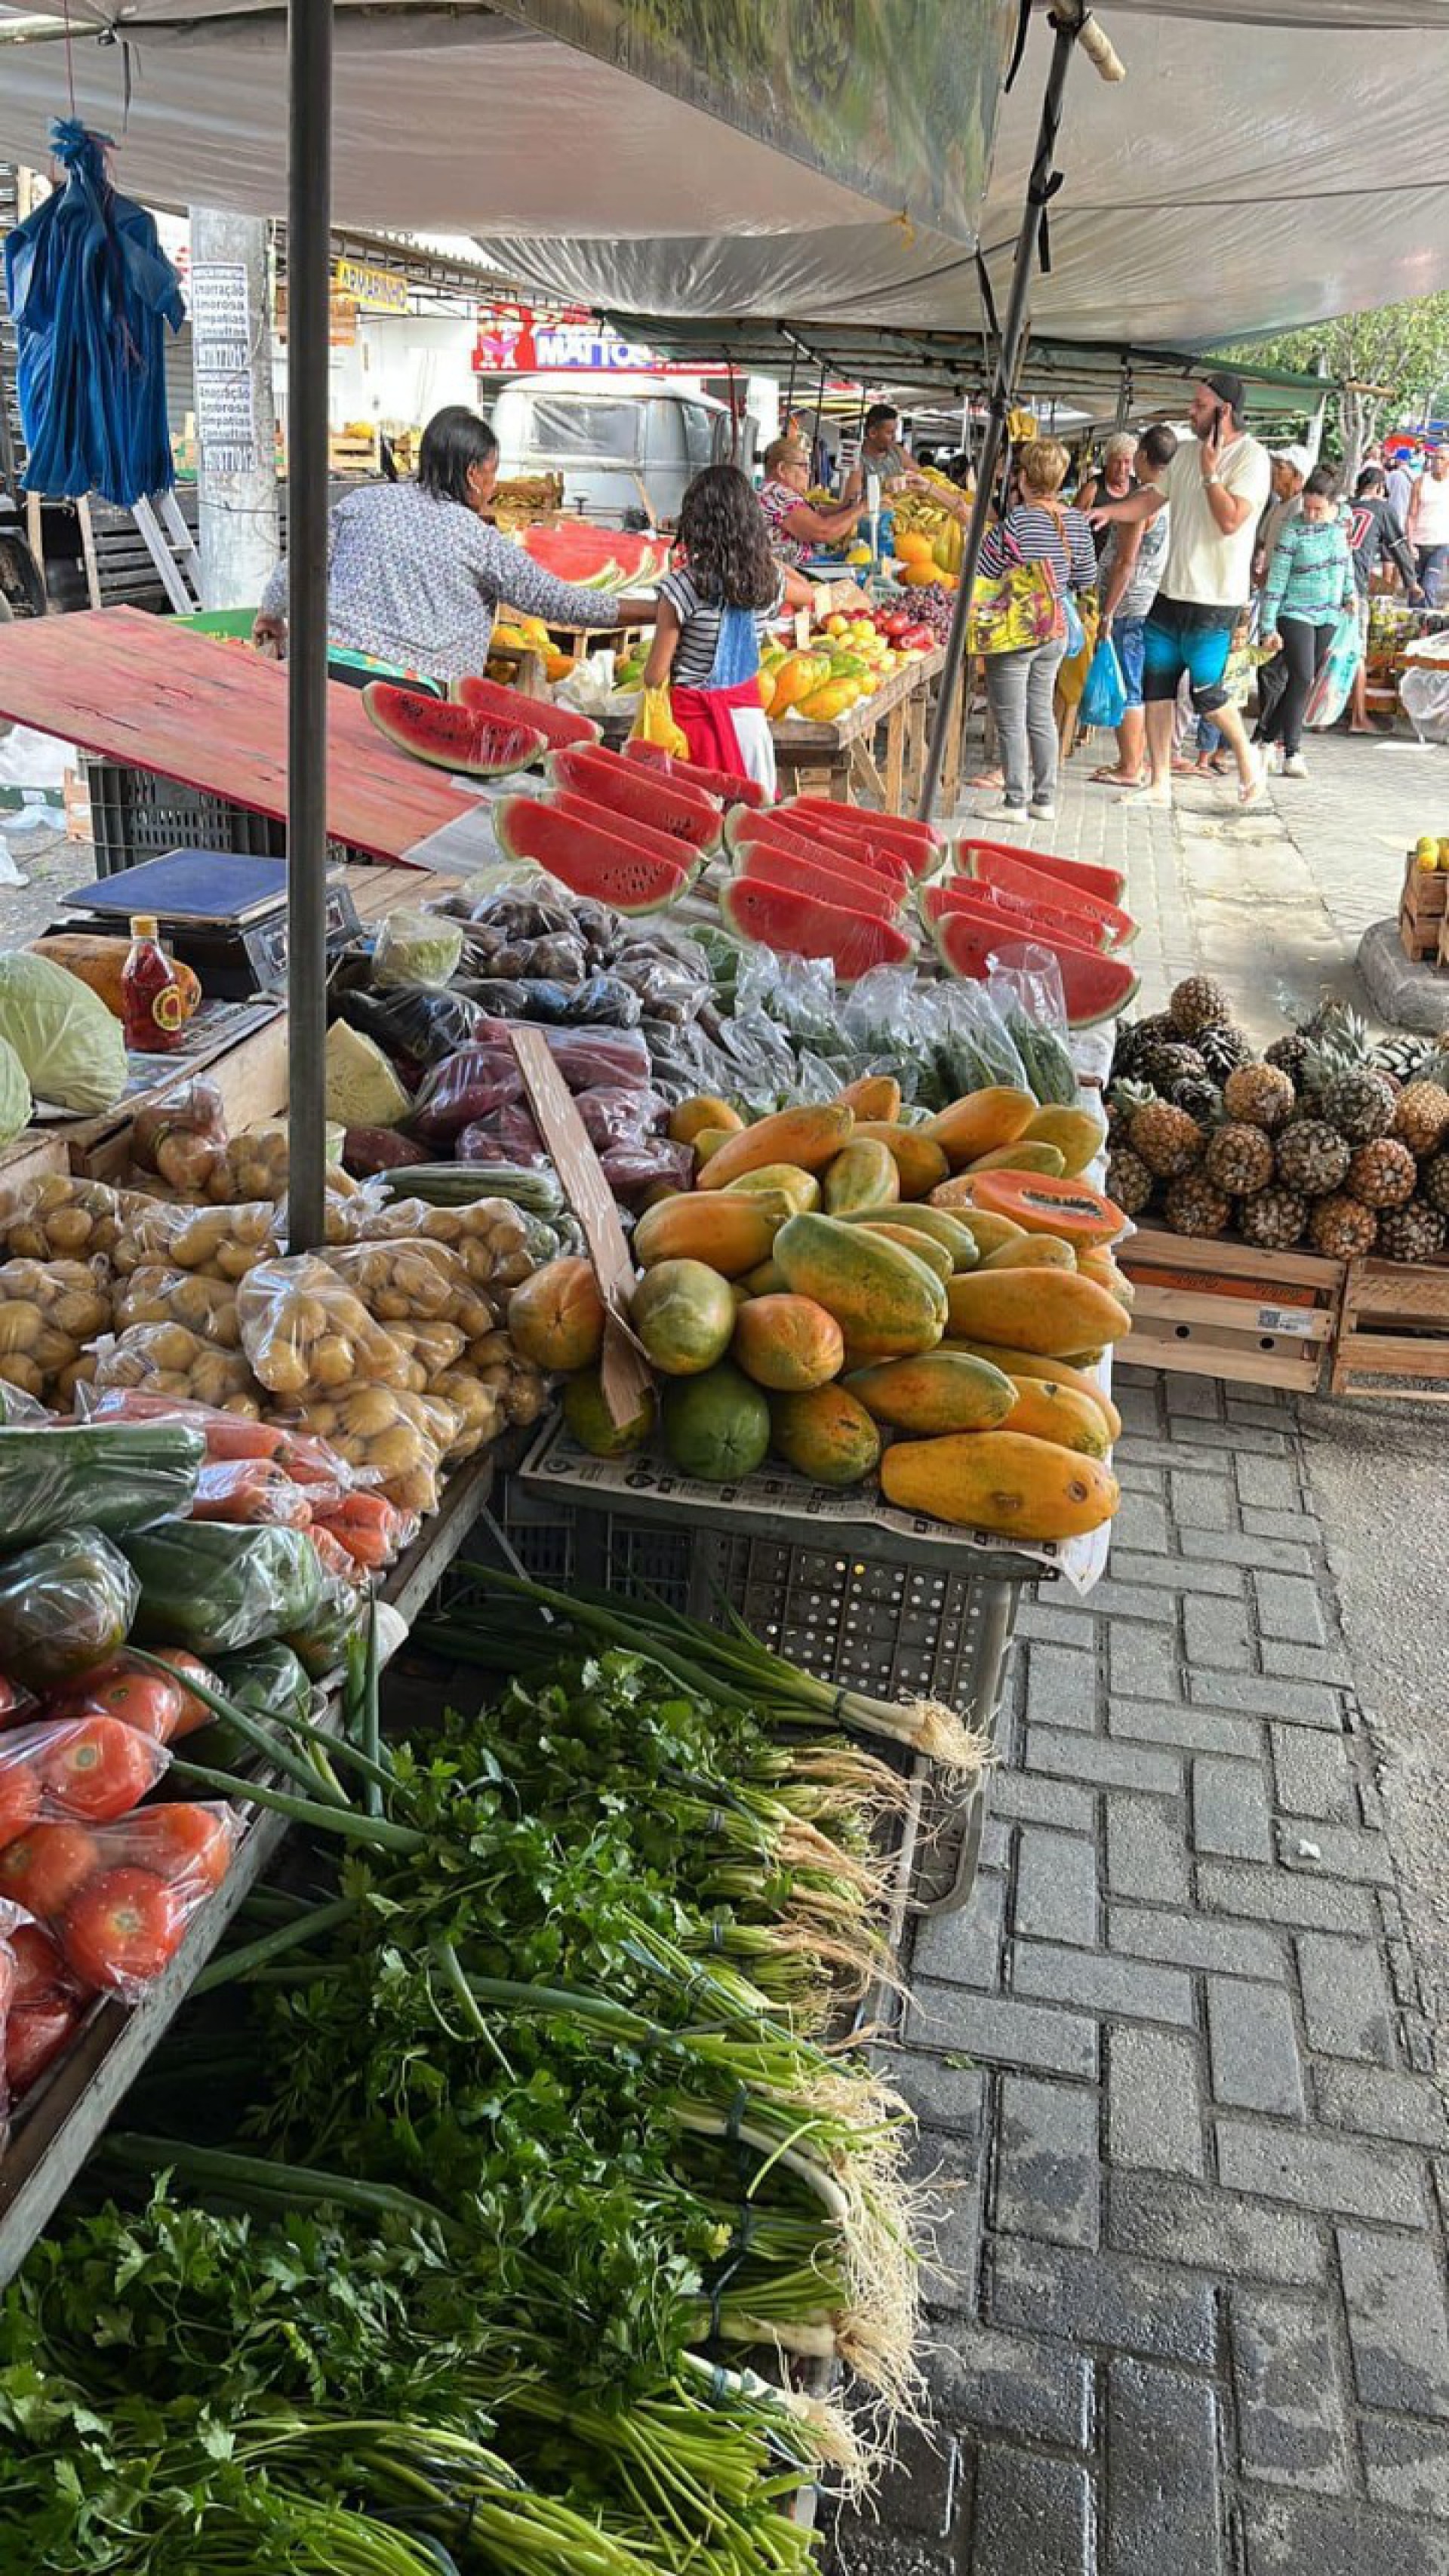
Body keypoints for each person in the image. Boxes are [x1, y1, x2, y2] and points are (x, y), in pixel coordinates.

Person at [252, 406, 655, 685]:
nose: (494, 485)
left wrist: (271, 613)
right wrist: (658, 611)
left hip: (322, 669)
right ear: (472, 473)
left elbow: (301, 562)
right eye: (493, 472)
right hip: (415, 690)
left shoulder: (363, 502)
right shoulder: (479, 540)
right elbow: (559, 601)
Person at [1088, 369, 1272, 807]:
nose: (1190, 413)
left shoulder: (1252, 459)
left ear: (1224, 412)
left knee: (1206, 694)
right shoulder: (1187, 453)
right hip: (1170, 591)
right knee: (1156, 686)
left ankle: (1246, 753)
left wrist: (1211, 475)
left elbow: (1230, 521)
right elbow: (1150, 499)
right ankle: (1159, 783)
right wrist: (1110, 513)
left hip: (1217, 598)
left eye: (1200, 406)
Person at [641, 463, 823, 794]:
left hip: (695, 731)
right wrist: (762, 557)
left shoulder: (683, 586)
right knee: (746, 822)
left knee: (697, 825)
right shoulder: (768, 584)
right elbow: (809, 593)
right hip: (749, 726)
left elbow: (654, 675)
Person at [974, 438, 1096, 825]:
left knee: (1011, 717)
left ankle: (1013, 802)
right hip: (1056, 629)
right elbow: (1087, 576)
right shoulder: (1075, 521)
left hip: (1017, 631)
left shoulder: (1017, 522)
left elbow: (984, 571)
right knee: (1041, 712)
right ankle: (1044, 799)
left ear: (1023, 478)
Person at [1090, 423, 1178, 786]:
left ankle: (1130, 767)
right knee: (1140, 683)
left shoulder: (1142, 501)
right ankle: (1133, 763)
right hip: (1154, 600)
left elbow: (1125, 562)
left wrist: (1107, 613)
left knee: (1129, 685)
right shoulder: (1171, 497)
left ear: (1143, 456)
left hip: (1131, 605)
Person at [1256, 465, 1357, 778]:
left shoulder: (1340, 527)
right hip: (1294, 611)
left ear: (1332, 504)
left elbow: (1345, 566)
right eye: (1308, 508)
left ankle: (1267, 739)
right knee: (1301, 677)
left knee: (1303, 680)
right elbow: (1277, 580)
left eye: (1318, 509)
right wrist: (1268, 625)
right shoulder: (1292, 529)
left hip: (1329, 613)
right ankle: (1293, 751)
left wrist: (1350, 594)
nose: (1311, 515)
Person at [1345, 465, 1423, 734]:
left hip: (1327, 586)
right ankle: (1358, 717)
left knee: (1327, 650)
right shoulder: (1382, 509)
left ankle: (1321, 716)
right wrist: (1412, 583)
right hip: (1353, 588)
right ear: (1380, 489)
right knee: (1356, 652)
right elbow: (1398, 546)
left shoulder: (1345, 507)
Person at [757, 438, 866, 568]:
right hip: (783, 578)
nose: (809, 472)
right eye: (804, 466)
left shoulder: (770, 492)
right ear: (781, 469)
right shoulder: (778, 494)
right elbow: (824, 531)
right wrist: (865, 506)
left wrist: (848, 505)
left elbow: (816, 513)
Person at [1252, 445, 1310, 589]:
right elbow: (1261, 541)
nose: (1274, 472)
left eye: (1281, 468)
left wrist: (1269, 575)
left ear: (1298, 476)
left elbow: (1295, 552)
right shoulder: (1278, 505)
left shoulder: (1302, 506)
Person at [1078, 433, 1137, 567]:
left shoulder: (1138, 489)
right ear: (1107, 461)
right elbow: (1074, 529)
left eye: (1127, 462)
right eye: (1117, 462)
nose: (1122, 468)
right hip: (1095, 565)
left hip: (1125, 565)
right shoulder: (1092, 489)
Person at [842, 404, 912, 503]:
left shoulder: (897, 451)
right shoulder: (858, 461)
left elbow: (921, 475)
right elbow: (851, 502)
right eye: (890, 433)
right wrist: (884, 489)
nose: (894, 438)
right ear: (872, 433)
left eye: (895, 432)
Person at [1408, 445, 1449, 605]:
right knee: (1415, 589)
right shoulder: (1420, 482)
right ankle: (1411, 625)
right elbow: (1411, 515)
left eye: (1441, 459)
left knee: (1429, 587)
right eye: (1434, 458)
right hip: (1419, 543)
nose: (1436, 462)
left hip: (1440, 544)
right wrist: (1410, 543)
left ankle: (1428, 625)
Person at [1386, 451, 1415, 528]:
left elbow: (1387, 490)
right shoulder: (1416, 475)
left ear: (1399, 460)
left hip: (1394, 509)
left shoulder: (1392, 474)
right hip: (1409, 511)